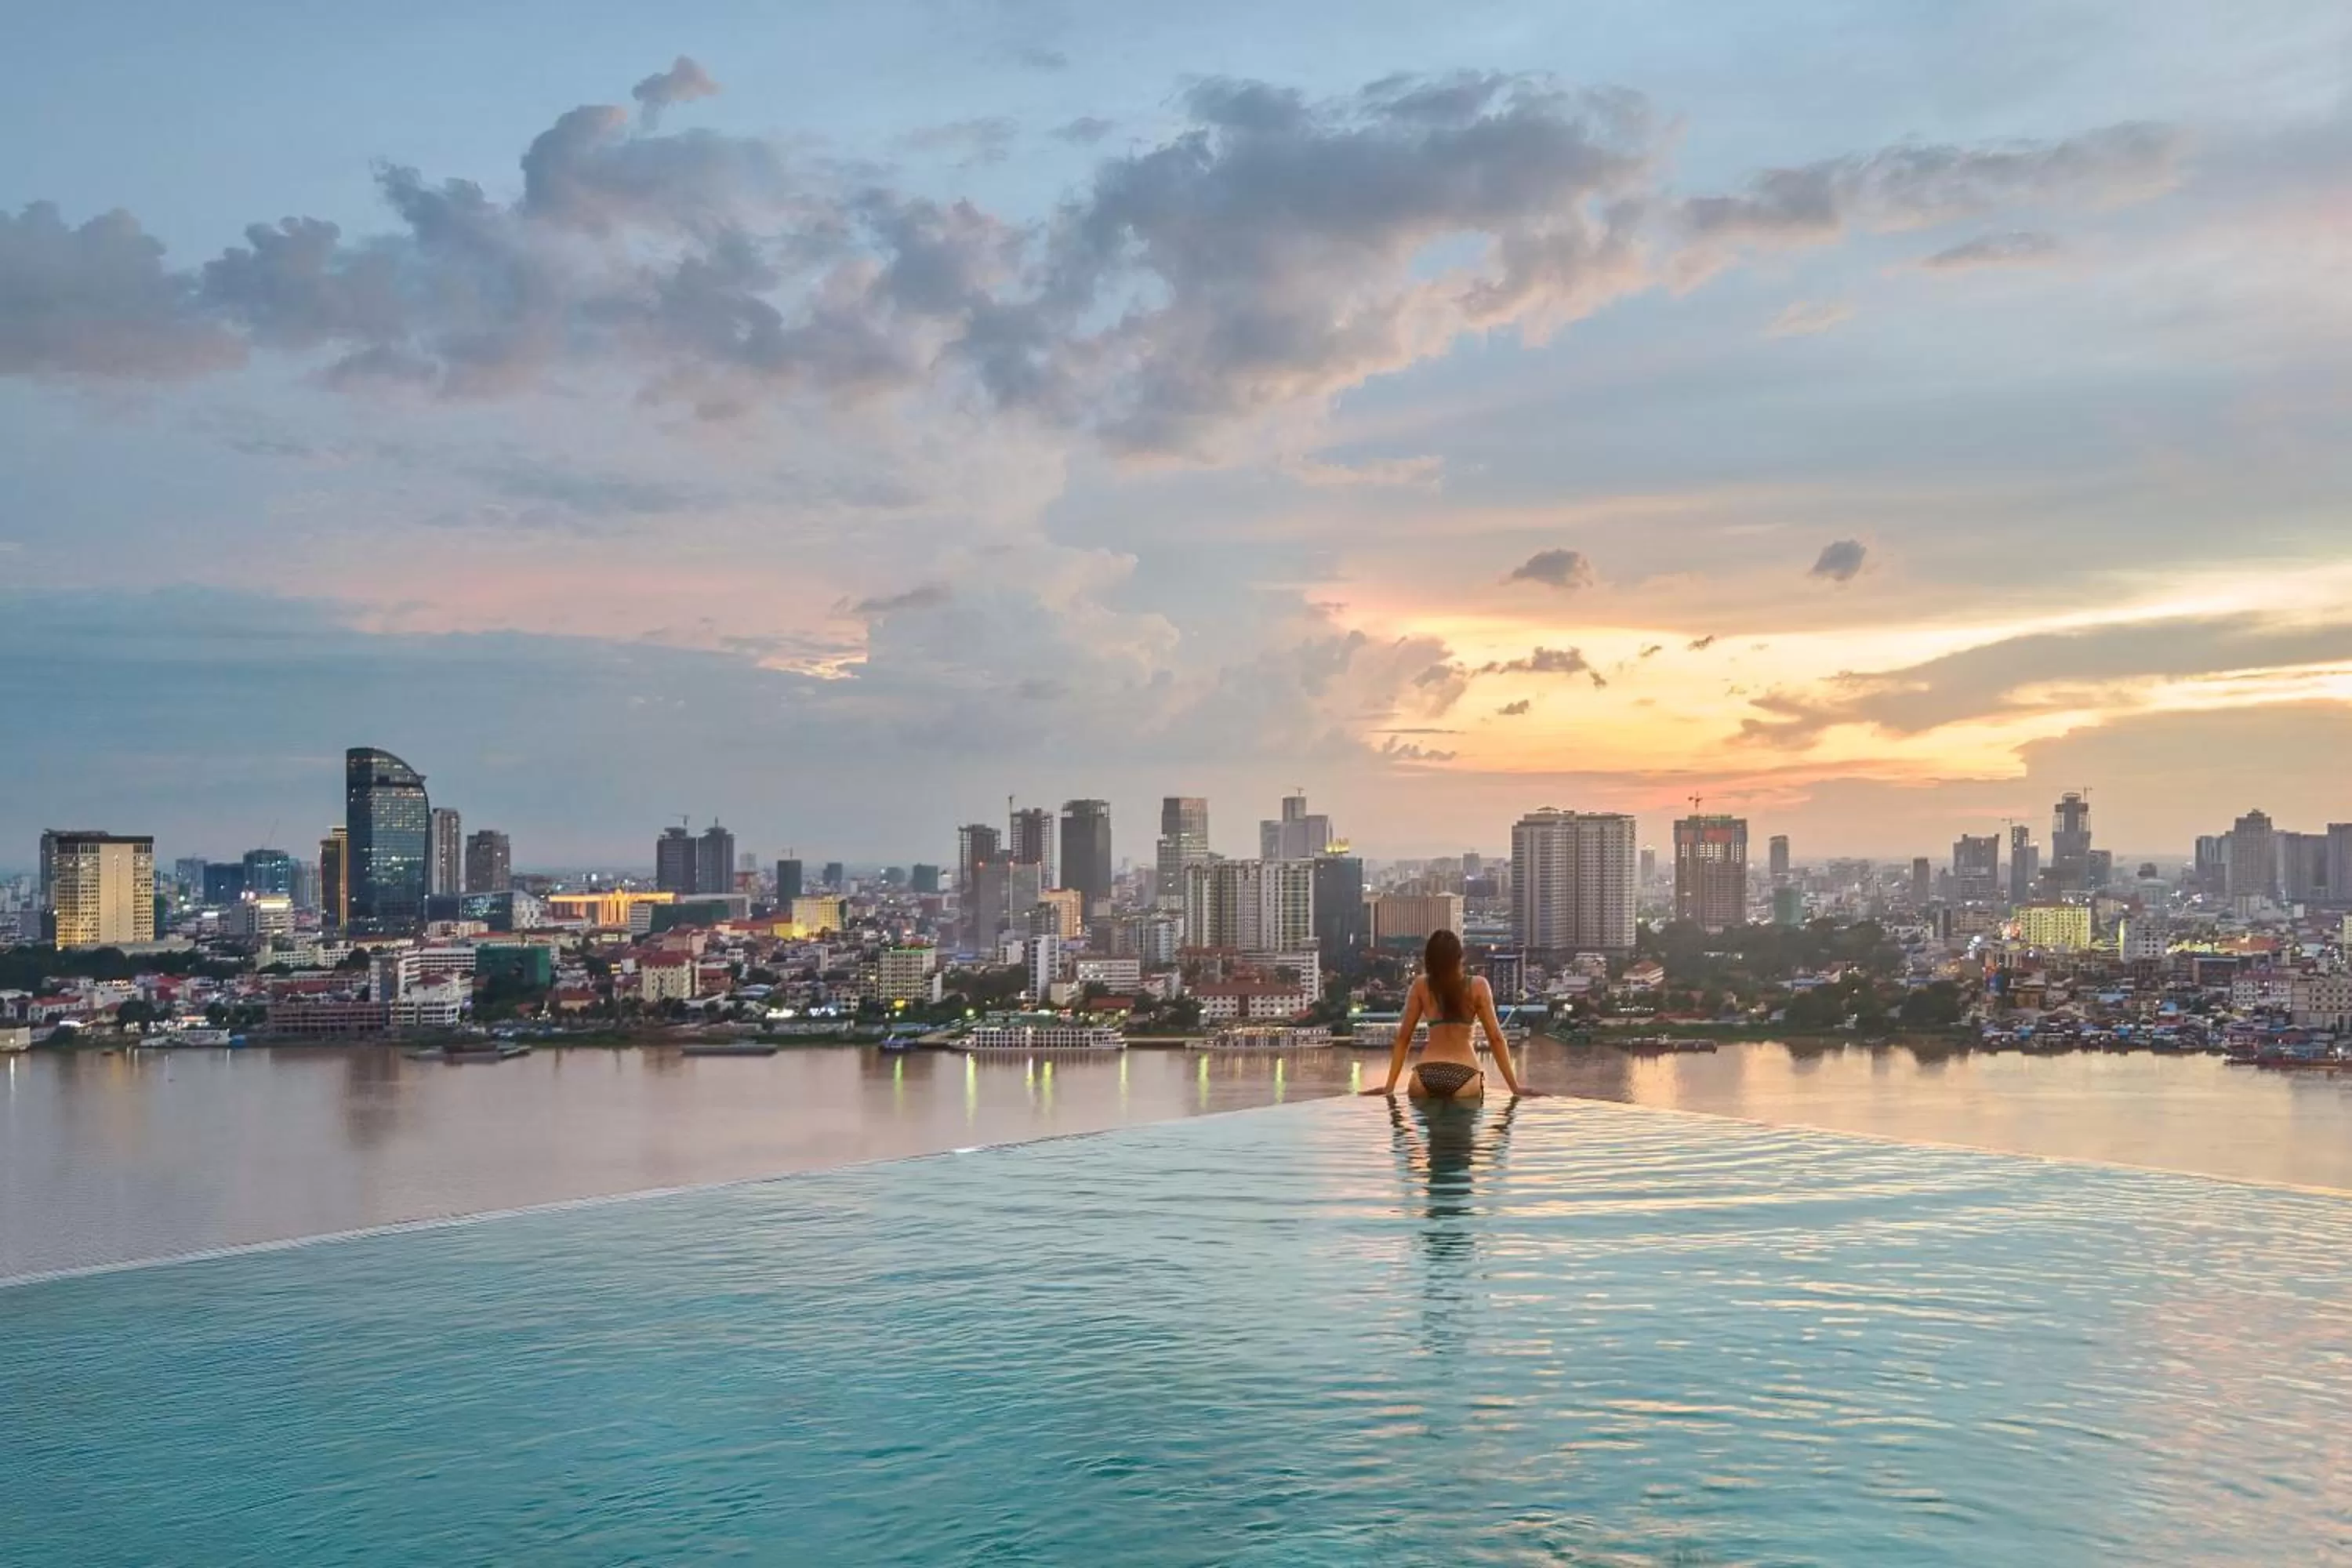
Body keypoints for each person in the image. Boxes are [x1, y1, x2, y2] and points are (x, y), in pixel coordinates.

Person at [1361, 929, 1540, 1100]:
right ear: (1460, 958)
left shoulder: (1421, 986)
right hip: (1465, 1073)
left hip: (1425, 1075)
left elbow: (1403, 1038)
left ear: (1428, 960)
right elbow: (1495, 1039)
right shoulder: (1478, 985)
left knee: (1431, 1131)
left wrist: (1389, 1087)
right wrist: (1514, 1088)